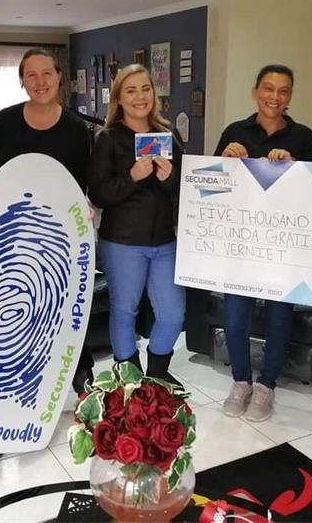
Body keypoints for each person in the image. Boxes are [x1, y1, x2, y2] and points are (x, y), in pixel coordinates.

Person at [215, 64, 312, 422]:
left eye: (283, 90)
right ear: (255, 92)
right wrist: (224, 161)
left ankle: (266, 386)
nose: (274, 97)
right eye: (268, 88)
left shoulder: (304, 138)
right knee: (235, 318)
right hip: (241, 242)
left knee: (279, 319)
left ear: (290, 96)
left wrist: (293, 167)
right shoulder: (234, 132)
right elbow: (213, 188)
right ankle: (241, 381)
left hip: (283, 246)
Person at [0, 48, 96, 392]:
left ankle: (80, 374)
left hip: (60, 237)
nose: (40, 81)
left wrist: (85, 206)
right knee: (18, 310)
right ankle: (25, 385)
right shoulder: (2, 124)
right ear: (21, 81)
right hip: (11, 237)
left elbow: (80, 184)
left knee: (66, 306)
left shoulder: (76, 129)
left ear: (59, 77)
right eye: (31, 75)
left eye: (47, 73)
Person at [88, 63, 185, 383]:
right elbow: (99, 194)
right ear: (118, 98)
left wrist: (170, 178)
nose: (140, 97)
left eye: (145, 89)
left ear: (154, 94)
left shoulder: (169, 135)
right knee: (124, 311)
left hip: (164, 242)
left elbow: (186, 189)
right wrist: (131, 177)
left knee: (172, 314)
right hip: (123, 243)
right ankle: (129, 379)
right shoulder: (108, 139)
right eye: (131, 90)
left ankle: (156, 375)